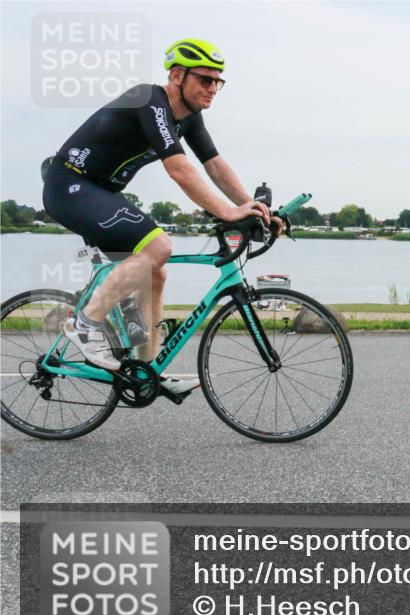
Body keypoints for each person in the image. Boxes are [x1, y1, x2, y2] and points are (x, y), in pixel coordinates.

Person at [42, 39, 279, 395]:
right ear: (177, 75)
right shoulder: (149, 100)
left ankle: (147, 372)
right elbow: (179, 169)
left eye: (218, 81)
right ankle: (85, 324)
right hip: (70, 185)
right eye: (205, 79)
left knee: (156, 271)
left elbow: (214, 165)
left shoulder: (189, 118)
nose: (213, 88)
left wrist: (255, 208)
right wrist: (229, 211)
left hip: (101, 192)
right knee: (159, 247)